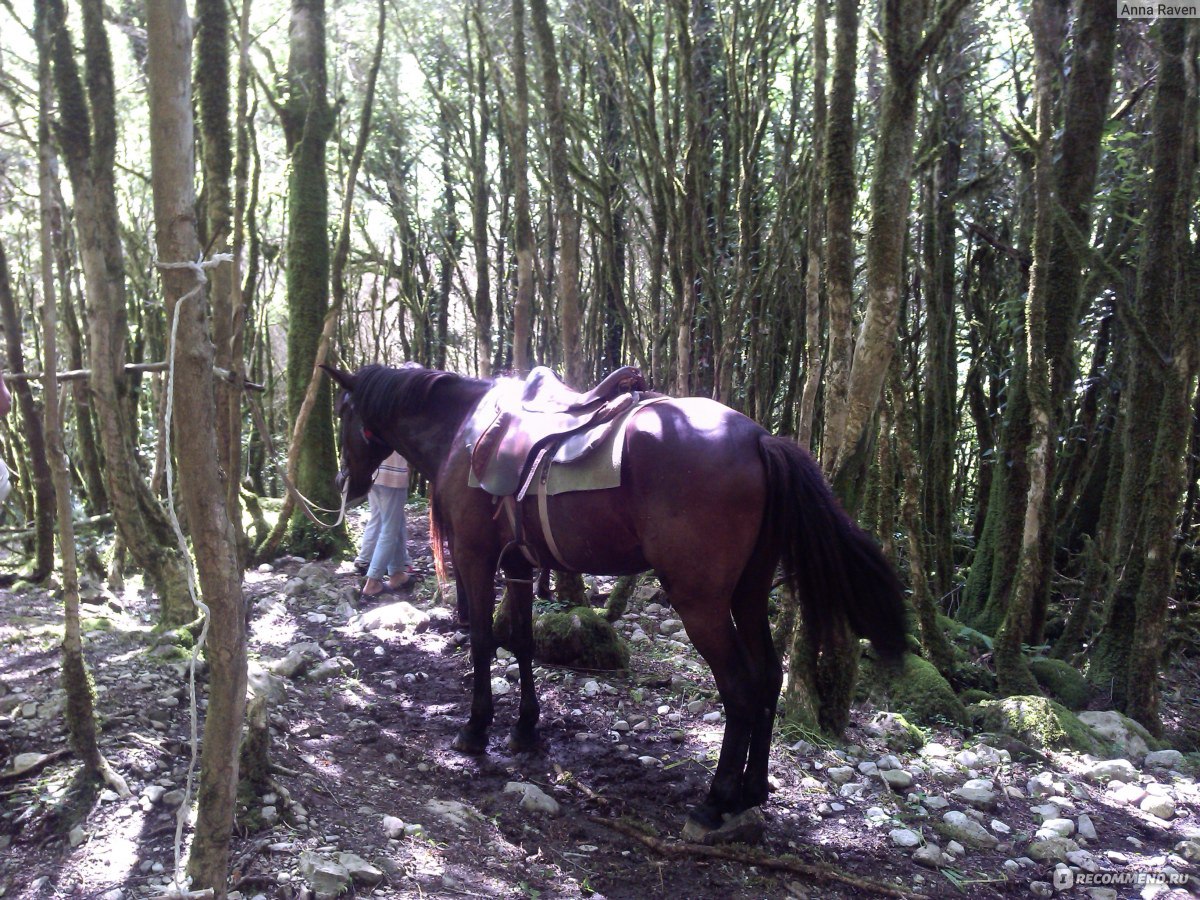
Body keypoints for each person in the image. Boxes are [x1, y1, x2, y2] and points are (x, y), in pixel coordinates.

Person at [354, 450, 412, 598]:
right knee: (389, 530)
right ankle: (372, 582)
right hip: (392, 475)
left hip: (373, 472)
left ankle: (397, 573)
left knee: (395, 523)